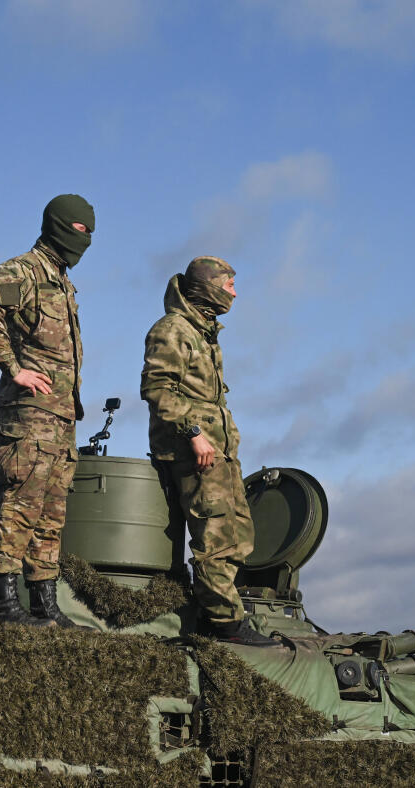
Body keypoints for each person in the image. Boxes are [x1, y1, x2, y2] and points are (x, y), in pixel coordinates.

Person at [0, 194, 94, 628]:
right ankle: (3, 601)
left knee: (51, 513)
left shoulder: (61, 281)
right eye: (79, 229)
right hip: (30, 416)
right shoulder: (24, 270)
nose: (85, 239)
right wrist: (14, 368)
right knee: (22, 504)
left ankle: (45, 604)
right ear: (58, 226)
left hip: (61, 416)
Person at [140, 256, 278, 646]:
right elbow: (157, 389)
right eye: (228, 284)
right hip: (192, 452)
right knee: (214, 535)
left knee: (238, 534)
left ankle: (217, 613)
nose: (234, 292)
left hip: (217, 451)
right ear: (207, 287)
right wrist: (194, 432)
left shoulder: (203, 333)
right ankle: (225, 623)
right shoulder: (173, 330)